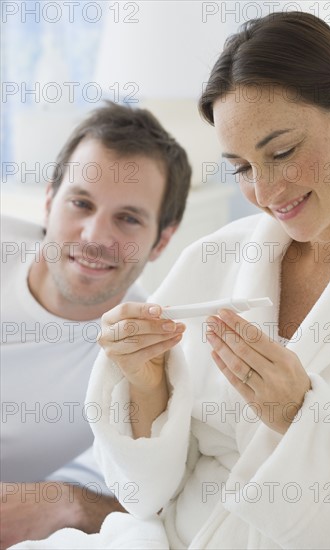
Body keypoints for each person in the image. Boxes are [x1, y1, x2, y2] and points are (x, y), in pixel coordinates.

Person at [10, 11, 330, 550]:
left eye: (282, 153)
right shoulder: (216, 259)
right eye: (242, 168)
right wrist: (146, 384)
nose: (267, 190)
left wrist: (302, 418)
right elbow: (143, 491)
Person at [0, 101, 191, 549]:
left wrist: (67, 502)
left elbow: (158, 501)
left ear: (162, 239)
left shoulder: (146, 356)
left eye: (127, 218)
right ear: (49, 201)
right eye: (80, 203)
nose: (94, 238)